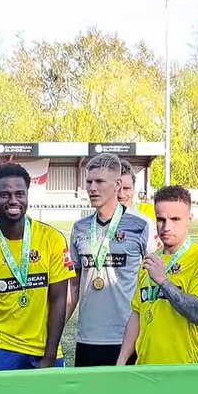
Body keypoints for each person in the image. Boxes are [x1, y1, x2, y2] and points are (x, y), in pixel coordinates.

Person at [0, 162, 73, 370]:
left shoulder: (52, 239)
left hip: (44, 349)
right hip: (0, 347)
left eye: (19, 194)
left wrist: (50, 355)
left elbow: (59, 299)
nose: (13, 200)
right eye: (4, 194)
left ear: (27, 195)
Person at [66, 152, 156, 367]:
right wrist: (57, 329)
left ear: (117, 184)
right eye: (89, 181)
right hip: (87, 336)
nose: (92, 188)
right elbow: (74, 284)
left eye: (99, 182)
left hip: (126, 336)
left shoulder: (141, 225)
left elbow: (152, 281)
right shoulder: (80, 228)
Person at [117, 185, 198, 365]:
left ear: (189, 220)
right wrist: (122, 359)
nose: (166, 227)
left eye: (175, 219)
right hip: (146, 368)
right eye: (161, 219)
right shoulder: (151, 260)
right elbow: (137, 313)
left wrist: (163, 281)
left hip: (183, 369)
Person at [118, 160, 156, 234]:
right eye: (116, 188)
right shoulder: (100, 220)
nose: (121, 195)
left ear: (134, 188)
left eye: (126, 188)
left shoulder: (149, 212)